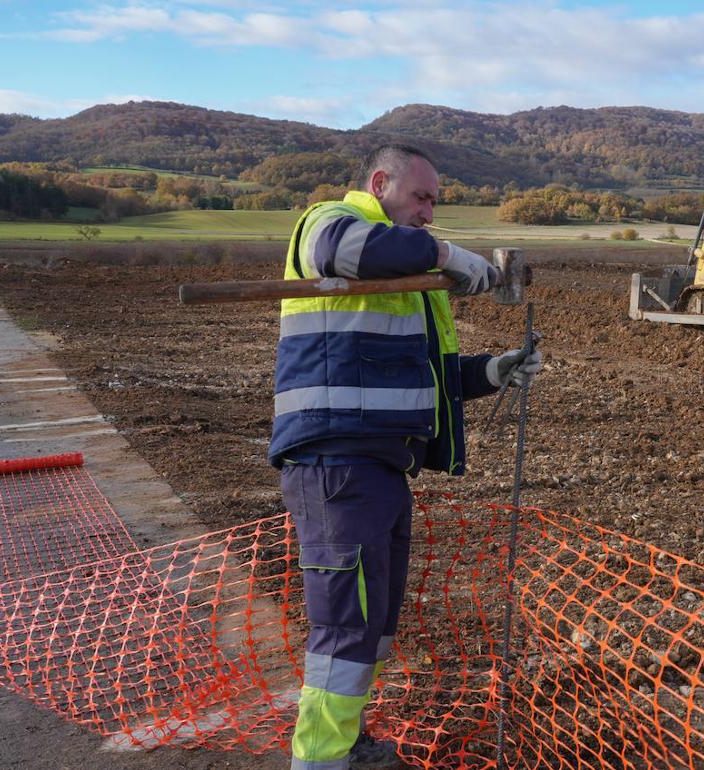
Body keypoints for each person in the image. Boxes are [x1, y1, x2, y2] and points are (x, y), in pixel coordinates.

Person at [269, 143, 542, 770]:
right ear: (378, 182)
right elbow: (355, 249)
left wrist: (493, 372)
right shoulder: (328, 223)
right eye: (420, 198)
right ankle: (319, 760)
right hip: (335, 462)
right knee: (345, 627)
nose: (427, 213)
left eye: (434, 204)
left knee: (373, 626)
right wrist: (447, 255)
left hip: (381, 468)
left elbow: (425, 377)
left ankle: (347, 741)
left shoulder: (401, 282)